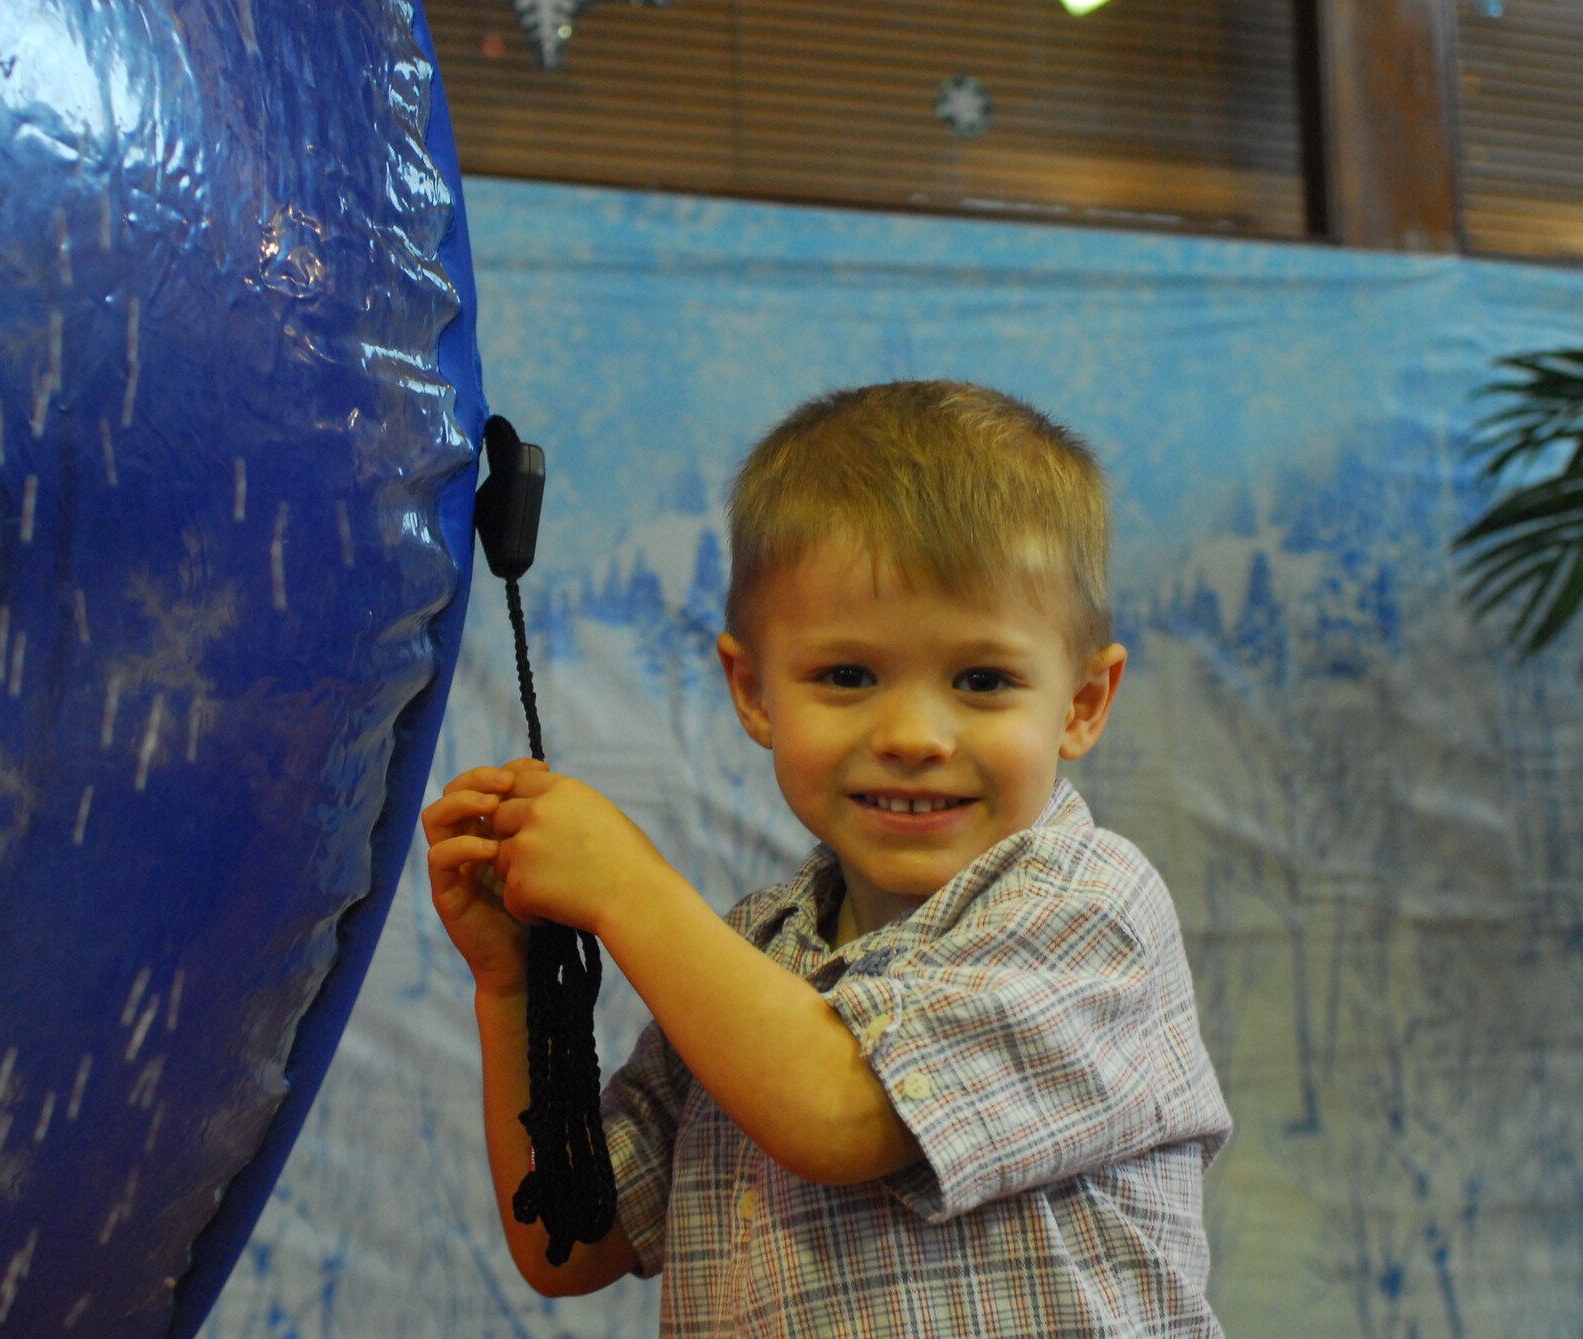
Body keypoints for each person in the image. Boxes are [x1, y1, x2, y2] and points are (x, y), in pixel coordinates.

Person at [423, 380, 1232, 1336]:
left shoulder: (1091, 909)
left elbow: (838, 1109)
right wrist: (518, 988)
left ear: (1084, 702)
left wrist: (629, 889)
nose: (915, 734)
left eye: (983, 679)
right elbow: (571, 1239)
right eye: (847, 675)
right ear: (754, 689)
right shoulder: (753, 956)